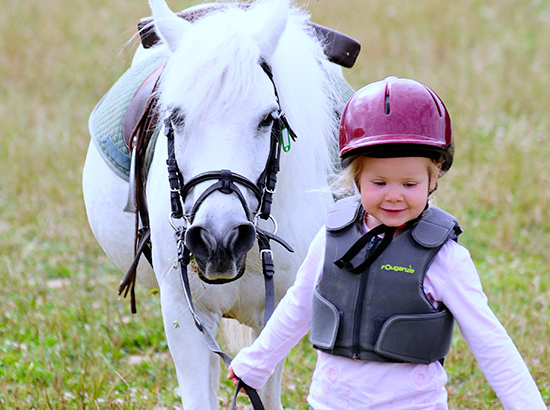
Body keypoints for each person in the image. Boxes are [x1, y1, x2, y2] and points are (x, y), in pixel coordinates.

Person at [227, 77, 546, 409]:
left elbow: (490, 342)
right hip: (332, 403)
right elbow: (298, 304)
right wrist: (256, 363)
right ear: (355, 177)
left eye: (409, 183)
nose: (394, 195)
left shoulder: (445, 259)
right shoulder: (331, 238)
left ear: (434, 176)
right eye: (379, 182)